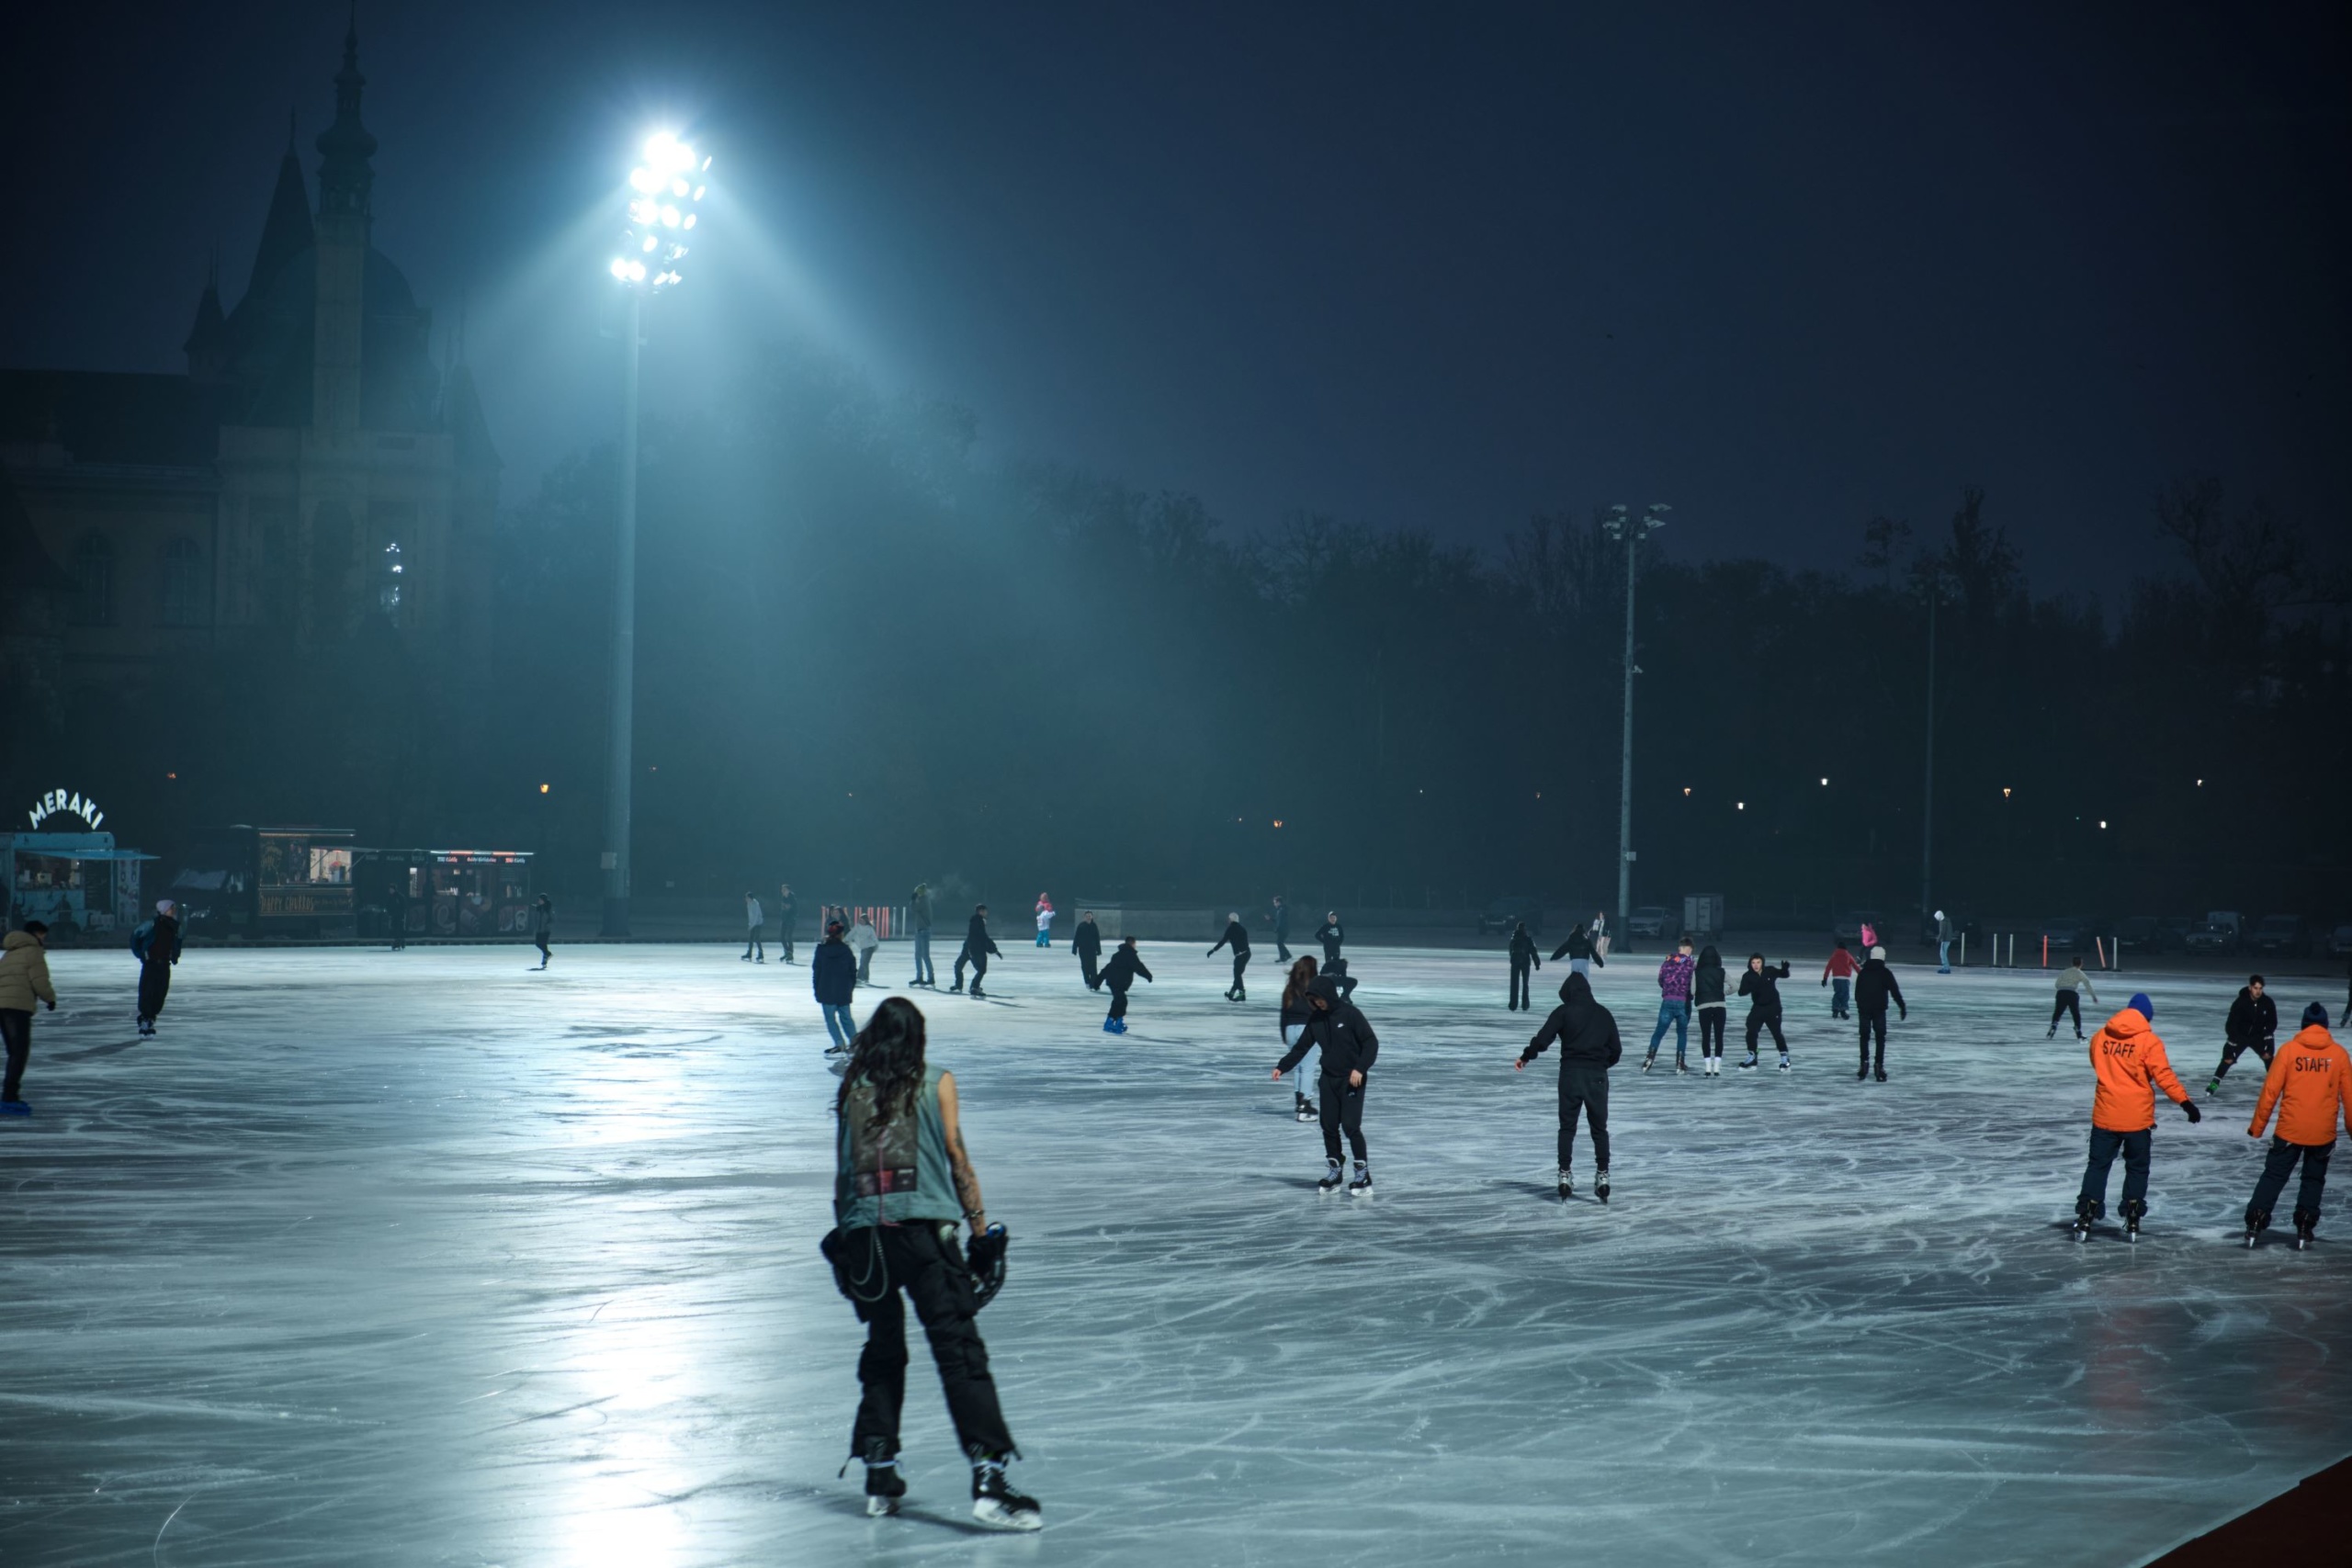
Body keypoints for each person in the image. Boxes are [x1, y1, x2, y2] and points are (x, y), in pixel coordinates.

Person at [826, 997, 1039, 1529]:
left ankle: (880, 1468)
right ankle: (988, 1476)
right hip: (924, 1236)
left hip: (865, 1242)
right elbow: (957, 1158)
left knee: (882, 1351)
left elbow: (841, 1169)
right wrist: (980, 1232)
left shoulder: (851, 1088)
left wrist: (848, 1243)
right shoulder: (936, 1081)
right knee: (958, 1351)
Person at [2071, 993, 2199, 1241]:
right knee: (2137, 1168)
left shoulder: (2101, 1037)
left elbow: (2096, 1063)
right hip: (2137, 1120)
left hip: (2105, 1115)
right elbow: (2164, 1076)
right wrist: (2185, 1102)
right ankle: (2132, 1214)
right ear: (2146, 1017)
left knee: (2098, 1166)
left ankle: (2087, 1212)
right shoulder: (2149, 1041)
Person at [2241, 1003, 2351, 1248]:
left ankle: (2256, 1222)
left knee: (2273, 1176)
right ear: (2325, 1026)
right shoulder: (2339, 1055)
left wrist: (2257, 1127)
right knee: (2313, 1180)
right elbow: (2350, 1098)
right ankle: (2304, 1226)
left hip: (2289, 1129)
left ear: (2303, 1025)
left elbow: (2270, 1092)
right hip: (2322, 1133)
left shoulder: (2289, 1051)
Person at [1517, 971, 1623, 1201]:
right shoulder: (1604, 1014)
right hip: (1597, 1077)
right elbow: (1616, 1050)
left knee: (1567, 1128)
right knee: (1599, 1129)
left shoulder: (1563, 1012)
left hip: (1570, 1076)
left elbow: (1543, 1038)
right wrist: (1600, 1066)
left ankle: (1565, 1174)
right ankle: (1603, 1175)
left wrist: (1526, 1056)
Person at [1272, 974, 1379, 1194]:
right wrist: (1282, 1066)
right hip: (1329, 1079)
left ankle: (1362, 1175)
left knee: (1350, 1127)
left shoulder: (1350, 1014)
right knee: (1328, 1126)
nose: (1318, 1003)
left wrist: (1360, 1068)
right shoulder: (1316, 1019)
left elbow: (1370, 1042)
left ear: (1329, 995)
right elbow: (1302, 1048)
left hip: (1352, 1079)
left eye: (1320, 998)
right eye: (1313, 999)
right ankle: (1335, 1171)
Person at [0, 920, 58, 1114]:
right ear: (37, 934)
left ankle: (9, 1094)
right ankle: (9, 1096)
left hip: (3, 1006)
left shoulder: (10, 952)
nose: (44, 940)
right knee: (19, 1052)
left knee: (14, 1052)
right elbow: (40, 980)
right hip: (17, 1007)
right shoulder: (33, 951)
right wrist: (49, 999)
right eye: (43, 936)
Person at [2206, 975, 2278, 1096]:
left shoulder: (2268, 1003)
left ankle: (2276, 1087)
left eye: (2260, 988)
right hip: (2240, 1036)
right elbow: (2231, 1023)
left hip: (2258, 1036)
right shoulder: (2240, 1002)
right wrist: (2233, 1038)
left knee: (2268, 1057)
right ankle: (2213, 1086)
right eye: (2255, 988)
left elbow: (2272, 1023)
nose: (2258, 991)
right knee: (2227, 1060)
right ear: (2250, 987)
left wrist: (2267, 1036)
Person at [1854, 945, 1907, 1081]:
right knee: (1880, 1038)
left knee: (1864, 1037)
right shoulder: (1885, 973)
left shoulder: (1863, 972)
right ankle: (1879, 1065)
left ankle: (1864, 1063)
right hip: (1879, 1010)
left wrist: (1860, 1005)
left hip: (1864, 1009)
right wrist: (1902, 1006)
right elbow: (1894, 991)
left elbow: (1857, 992)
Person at [130, 899, 182, 1037]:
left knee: (160, 993)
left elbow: (177, 942)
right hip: (151, 964)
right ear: (165, 910)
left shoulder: (175, 926)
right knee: (148, 992)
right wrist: (142, 955)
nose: (174, 910)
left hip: (164, 964)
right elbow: (135, 937)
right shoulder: (152, 924)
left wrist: (175, 956)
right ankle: (145, 1020)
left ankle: (150, 1019)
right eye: (172, 908)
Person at [1645, 937, 1697, 1073]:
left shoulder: (1667, 962)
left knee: (1659, 1032)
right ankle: (1680, 1063)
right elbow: (1694, 983)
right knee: (1682, 1032)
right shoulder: (1691, 964)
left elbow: (1660, 979)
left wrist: (1668, 989)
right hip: (1683, 1002)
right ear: (1689, 949)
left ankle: (1649, 1058)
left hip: (1668, 1000)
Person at [1278, 956, 1320, 1122]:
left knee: (1299, 1067)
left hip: (1290, 1030)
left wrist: (1284, 1034)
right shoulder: (1314, 989)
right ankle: (1304, 1105)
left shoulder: (1289, 989)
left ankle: (1299, 1102)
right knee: (1308, 1068)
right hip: (1306, 1030)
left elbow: (1283, 1014)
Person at [1736, 953, 1792, 1070]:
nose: (1756, 965)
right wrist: (1752, 986)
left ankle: (1785, 1058)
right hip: (1758, 1007)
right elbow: (1741, 992)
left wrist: (1785, 968)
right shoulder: (1748, 976)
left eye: (1758, 962)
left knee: (1776, 1033)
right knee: (1751, 1031)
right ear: (1750, 963)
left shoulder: (1770, 970)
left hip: (1773, 1007)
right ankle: (1752, 1057)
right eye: (1753, 963)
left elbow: (1784, 975)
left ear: (1762, 963)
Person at [815, 920, 860, 1055]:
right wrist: (850, 987)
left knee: (830, 1019)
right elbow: (852, 971)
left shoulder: (821, 950)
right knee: (846, 1018)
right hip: (843, 990)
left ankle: (839, 1044)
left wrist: (817, 989)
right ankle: (855, 1043)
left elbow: (816, 971)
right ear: (841, 934)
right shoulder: (846, 951)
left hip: (826, 990)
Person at [1100, 936, 1151, 1033]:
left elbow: (1107, 968)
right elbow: (1139, 967)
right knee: (1121, 1001)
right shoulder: (1131, 955)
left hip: (1113, 981)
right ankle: (1113, 1021)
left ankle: (1114, 1020)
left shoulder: (1117, 955)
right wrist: (1148, 976)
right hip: (1119, 982)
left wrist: (1098, 980)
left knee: (1119, 1001)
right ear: (1132, 944)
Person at [1693, 944, 1730, 1075]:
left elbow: (1692, 990)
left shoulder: (1697, 972)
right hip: (1720, 1006)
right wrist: (1724, 992)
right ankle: (1717, 1067)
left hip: (1704, 1007)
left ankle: (1708, 1068)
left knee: (1706, 1036)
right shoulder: (1721, 971)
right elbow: (1735, 986)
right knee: (1719, 1036)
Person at [2045, 956, 2100, 1041]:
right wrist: (2094, 996)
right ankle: (2078, 1031)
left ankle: (2054, 1025)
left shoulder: (2065, 972)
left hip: (2061, 993)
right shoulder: (2080, 973)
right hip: (2072, 994)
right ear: (2081, 964)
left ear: (2072, 963)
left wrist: (2062, 988)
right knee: (2075, 1014)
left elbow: (2057, 984)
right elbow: (2087, 984)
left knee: (2058, 1012)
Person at [951, 906, 1001, 998]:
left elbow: (980, 936)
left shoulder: (976, 920)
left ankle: (960, 985)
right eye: (985, 911)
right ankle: (974, 987)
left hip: (969, 947)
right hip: (975, 949)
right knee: (981, 970)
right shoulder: (979, 920)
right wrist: (994, 949)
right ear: (980, 911)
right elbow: (983, 936)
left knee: (958, 965)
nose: (986, 913)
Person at [1209, 912, 1252, 1002]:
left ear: (1231, 919)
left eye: (1229, 919)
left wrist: (1213, 950)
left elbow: (1223, 941)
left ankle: (1241, 995)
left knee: (1237, 975)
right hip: (1247, 954)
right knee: (1238, 975)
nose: (1227, 920)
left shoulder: (1231, 929)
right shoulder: (1242, 928)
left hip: (1240, 956)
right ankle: (1231, 993)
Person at [1507, 920, 1541, 1011]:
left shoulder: (1513, 939)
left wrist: (1513, 960)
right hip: (1525, 963)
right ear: (1525, 929)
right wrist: (1537, 963)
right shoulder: (1528, 939)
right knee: (1525, 984)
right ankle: (1525, 1005)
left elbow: (1510, 951)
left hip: (1515, 963)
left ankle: (1513, 1004)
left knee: (1514, 984)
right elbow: (1533, 952)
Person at [1821, 939, 1858, 1020]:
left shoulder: (1834, 956)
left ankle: (1835, 1009)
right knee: (1845, 995)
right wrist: (1863, 975)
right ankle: (1843, 1010)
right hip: (1845, 979)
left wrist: (1825, 978)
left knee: (1837, 994)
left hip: (1836, 979)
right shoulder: (1848, 955)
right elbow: (1855, 966)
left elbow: (1828, 967)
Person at [910, 884, 935, 988]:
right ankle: (920, 976)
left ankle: (930, 977)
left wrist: (912, 900)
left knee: (924, 955)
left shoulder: (923, 900)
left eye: (917, 892)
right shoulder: (924, 899)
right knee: (918, 956)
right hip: (920, 930)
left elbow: (913, 908)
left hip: (923, 931)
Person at [1073, 911, 1102, 991]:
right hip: (1083, 950)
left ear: (1092, 917)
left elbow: (1097, 938)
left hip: (1092, 950)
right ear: (1084, 917)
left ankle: (1094, 984)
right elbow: (1076, 938)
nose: (1088, 917)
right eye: (1087, 916)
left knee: (1093, 967)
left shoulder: (1094, 926)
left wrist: (1099, 950)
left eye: (1089, 916)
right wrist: (1074, 949)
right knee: (1085, 967)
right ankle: (1087, 982)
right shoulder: (1081, 926)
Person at [851, 914, 880, 985]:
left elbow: (874, 938)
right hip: (864, 948)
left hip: (869, 948)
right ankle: (865, 978)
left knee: (863, 962)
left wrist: (876, 945)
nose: (860, 922)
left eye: (862, 920)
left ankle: (860, 977)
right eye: (859, 920)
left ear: (865, 921)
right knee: (864, 962)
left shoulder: (869, 928)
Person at [743, 891, 767, 963]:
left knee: (757, 938)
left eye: (747, 898)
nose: (746, 899)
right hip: (753, 923)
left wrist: (752, 925)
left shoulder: (756, 904)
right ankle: (749, 953)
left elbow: (756, 916)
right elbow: (750, 915)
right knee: (750, 939)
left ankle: (761, 953)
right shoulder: (748, 904)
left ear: (750, 898)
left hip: (758, 923)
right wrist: (750, 924)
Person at [778, 883, 798, 964]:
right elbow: (783, 909)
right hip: (784, 920)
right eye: (782, 890)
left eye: (784, 890)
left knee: (788, 936)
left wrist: (792, 918)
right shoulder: (783, 898)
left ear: (788, 891)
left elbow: (796, 910)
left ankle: (790, 954)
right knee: (781, 937)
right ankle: (787, 952)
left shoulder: (792, 899)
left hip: (791, 920)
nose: (782, 891)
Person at [531, 894, 553, 969]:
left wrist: (548, 926)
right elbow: (536, 918)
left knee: (543, 944)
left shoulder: (549, 908)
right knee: (538, 943)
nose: (539, 901)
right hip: (539, 929)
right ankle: (547, 954)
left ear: (544, 900)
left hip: (546, 930)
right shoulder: (538, 908)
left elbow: (552, 918)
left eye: (540, 900)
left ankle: (544, 961)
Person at [1271, 895, 1293, 963]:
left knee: (1279, 943)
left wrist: (1278, 929)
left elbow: (1281, 922)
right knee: (1280, 943)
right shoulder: (1281, 910)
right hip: (1283, 929)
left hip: (1283, 929)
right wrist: (1271, 919)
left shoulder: (1282, 910)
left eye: (1275, 902)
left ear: (1278, 902)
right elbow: (1278, 920)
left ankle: (1285, 956)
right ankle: (1285, 956)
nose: (1274, 904)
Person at [1934, 909, 1953, 974]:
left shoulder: (1942, 922)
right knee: (1944, 954)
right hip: (1948, 939)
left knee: (1943, 954)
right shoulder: (1947, 921)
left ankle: (1946, 968)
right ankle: (1946, 967)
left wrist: (1938, 939)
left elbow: (1942, 932)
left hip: (1945, 940)